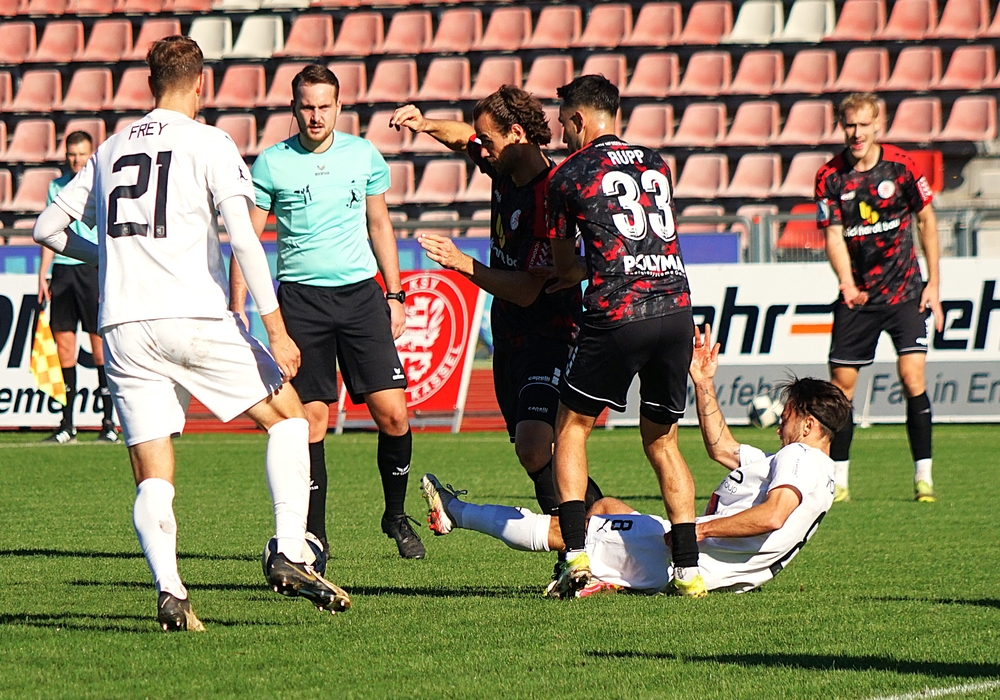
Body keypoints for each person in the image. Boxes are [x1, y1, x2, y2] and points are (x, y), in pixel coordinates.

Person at [33, 37, 350, 631]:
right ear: (200, 84)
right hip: (193, 313)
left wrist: (105, 255)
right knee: (289, 418)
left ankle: (172, 591)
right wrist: (276, 329)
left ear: (150, 83)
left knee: (152, 470)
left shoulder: (109, 149)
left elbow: (47, 227)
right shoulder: (210, 142)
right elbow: (244, 239)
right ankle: (289, 548)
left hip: (124, 324)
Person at [419, 324, 852, 598]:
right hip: (712, 565)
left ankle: (456, 511)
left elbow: (774, 515)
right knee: (606, 507)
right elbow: (722, 448)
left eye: (787, 416)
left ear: (809, 425)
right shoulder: (815, 470)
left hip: (690, 557)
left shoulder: (800, 456)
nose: (780, 426)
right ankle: (603, 579)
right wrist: (703, 383)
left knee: (565, 531)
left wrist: (695, 532)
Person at [229, 64, 424, 560]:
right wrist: (237, 306)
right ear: (294, 108)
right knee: (311, 422)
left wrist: (395, 294)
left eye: (324, 106)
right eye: (307, 107)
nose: (315, 116)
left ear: (339, 106)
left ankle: (395, 515)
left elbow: (379, 224)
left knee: (394, 414)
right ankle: (314, 538)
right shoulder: (272, 163)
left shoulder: (363, 155)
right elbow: (247, 240)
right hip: (302, 302)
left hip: (361, 298)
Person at [388, 88, 603, 520]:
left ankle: (589, 536)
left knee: (535, 446)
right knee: (536, 454)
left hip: (551, 335)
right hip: (510, 335)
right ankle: (593, 534)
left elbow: (527, 289)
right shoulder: (503, 166)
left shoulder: (548, 195)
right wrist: (425, 125)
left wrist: (461, 263)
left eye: (488, 140)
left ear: (517, 133)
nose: (481, 149)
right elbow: (462, 137)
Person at [543, 74, 702, 599]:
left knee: (571, 428)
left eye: (564, 123)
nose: (562, 133)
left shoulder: (568, 175)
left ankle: (575, 555)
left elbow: (565, 267)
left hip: (619, 310)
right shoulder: (657, 163)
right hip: (675, 307)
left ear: (580, 119)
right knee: (663, 440)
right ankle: (688, 570)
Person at [815, 92, 944, 504]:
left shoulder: (902, 167)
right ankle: (838, 481)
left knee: (912, 377)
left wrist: (934, 284)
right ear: (842, 127)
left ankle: (923, 478)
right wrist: (847, 283)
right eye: (850, 125)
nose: (857, 133)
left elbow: (926, 220)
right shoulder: (829, 177)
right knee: (841, 389)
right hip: (859, 298)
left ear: (878, 125)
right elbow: (833, 235)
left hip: (906, 292)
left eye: (863, 125)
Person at [37, 131, 118, 444]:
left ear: (91, 155)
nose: (76, 159)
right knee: (64, 349)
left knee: (99, 348)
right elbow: (49, 233)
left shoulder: (100, 184)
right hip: (62, 271)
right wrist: (43, 273)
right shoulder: (56, 187)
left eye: (82, 154)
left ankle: (108, 423)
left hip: (90, 268)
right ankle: (67, 424)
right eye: (72, 154)